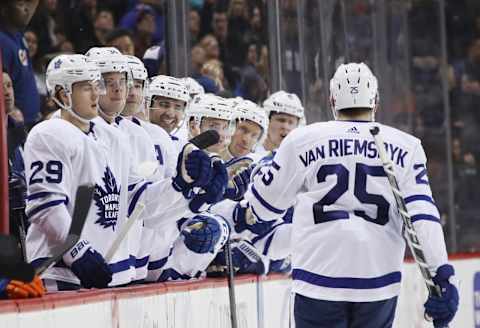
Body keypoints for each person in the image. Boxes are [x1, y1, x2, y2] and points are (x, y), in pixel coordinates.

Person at [245, 62, 458, 328]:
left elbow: (263, 206)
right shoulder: (406, 146)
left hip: (317, 278)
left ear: (332, 100)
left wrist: (259, 175)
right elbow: (422, 216)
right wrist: (442, 274)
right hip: (378, 281)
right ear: (376, 101)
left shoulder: (303, 139)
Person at [24, 54, 221, 290]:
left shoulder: (113, 136)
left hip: (110, 273)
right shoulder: (49, 133)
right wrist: (77, 253)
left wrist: (179, 185)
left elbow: (137, 201)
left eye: (98, 85)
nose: (98, 93)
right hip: (61, 273)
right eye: (88, 87)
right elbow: (45, 205)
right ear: (61, 94)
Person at [0, 0, 41, 126]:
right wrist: (12, 109)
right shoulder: (2, 41)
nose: (27, 9)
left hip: (31, 120)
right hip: (15, 123)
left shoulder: (18, 36)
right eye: (20, 5)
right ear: (5, 10)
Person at [257, 90, 304, 155]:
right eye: (281, 120)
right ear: (267, 121)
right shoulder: (248, 155)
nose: (285, 127)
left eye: (291, 122)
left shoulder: (300, 159)